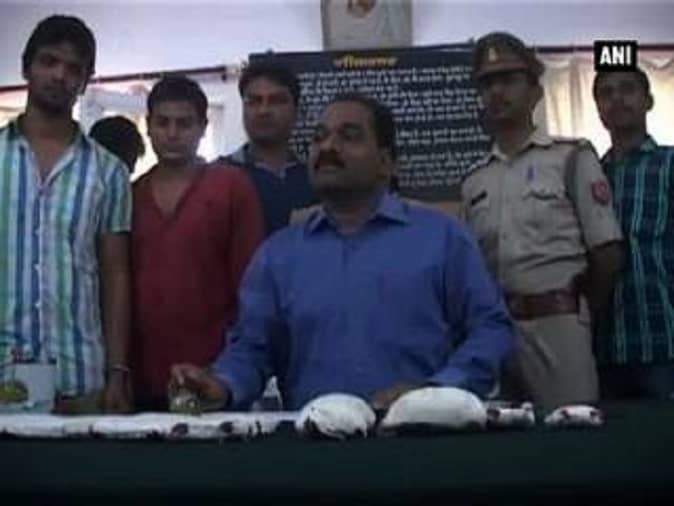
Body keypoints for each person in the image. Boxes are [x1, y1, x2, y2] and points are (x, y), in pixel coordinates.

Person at [171, 93, 515, 411]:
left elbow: (491, 329)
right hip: (316, 442)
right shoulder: (278, 256)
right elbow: (252, 349)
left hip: (423, 434)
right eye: (319, 137)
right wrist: (223, 384)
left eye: (349, 136)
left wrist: (436, 391)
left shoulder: (442, 239)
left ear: (386, 162)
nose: (328, 147)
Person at [462, 32, 624, 410]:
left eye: (508, 79)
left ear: (535, 91)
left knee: (571, 430)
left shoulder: (571, 158)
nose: (496, 91)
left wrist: (579, 312)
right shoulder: (475, 180)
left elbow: (608, 253)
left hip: (560, 324)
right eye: (487, 83)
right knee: (500, 435)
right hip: (495, 333)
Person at [0, 15, 132, 413]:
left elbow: (116, 274)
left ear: (86, 81)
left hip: (81, 378)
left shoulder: (109, 172)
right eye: (49, 61)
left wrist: (118, 371)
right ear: (27, 68)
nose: (60, 75)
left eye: (74, 68)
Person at [131, 76, 263, 410]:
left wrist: (233, 373)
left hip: (216, 375)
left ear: (203, 127)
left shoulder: (231, 187)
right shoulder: (131, 195)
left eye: (184, 123)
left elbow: (251, 288)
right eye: (163, 123)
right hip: (142, 377)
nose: (173, 133)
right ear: (148, 126)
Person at [593, 68, 674, 400]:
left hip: (664, 341)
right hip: (604, 347)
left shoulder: (669, 164)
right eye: (606, 93)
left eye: (627, 89)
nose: (616, 99)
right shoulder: (590, 175)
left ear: (648, 101)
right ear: (598, 110)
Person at [219, 60, 317, 237]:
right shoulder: (217, 176)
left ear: (297, 111)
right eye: (254, 101)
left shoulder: (316, 179)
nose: (263, 110)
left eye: (276, 101)